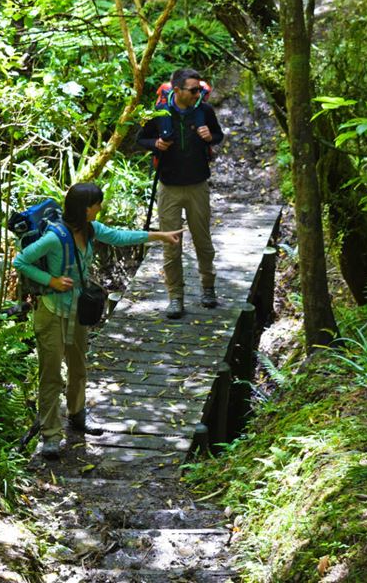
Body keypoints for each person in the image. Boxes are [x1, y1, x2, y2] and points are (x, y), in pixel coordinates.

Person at [13, 183, 182, 460]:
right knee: (52, 375)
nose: (100, 208)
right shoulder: (54, 238)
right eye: (97, 204)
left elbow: (120, 237)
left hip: (77, 312)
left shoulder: (91, 230)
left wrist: (161, 236)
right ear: (84, 208)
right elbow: (21, 261)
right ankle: (51, 436)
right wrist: (51, 280)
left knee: (79, 367)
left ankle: (77, 414)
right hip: (52, 313)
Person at [137, 67, 225, 319]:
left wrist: (211, 137)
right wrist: (155, 144)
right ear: (177, 90)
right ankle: (175, 297)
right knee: (170, 245)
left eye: (200, 89)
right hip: (169, 188)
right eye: (193, 90)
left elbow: (218, 135)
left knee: (203, 241)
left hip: (198, 185)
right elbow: (140, 139)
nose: (198, 93)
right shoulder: (160, 113)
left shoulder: (204, 111)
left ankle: (208, 288)